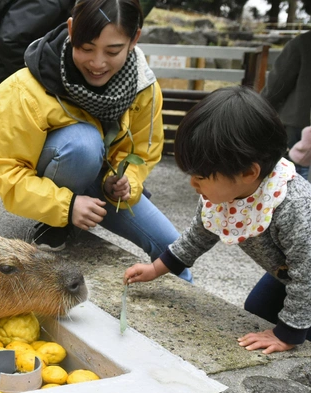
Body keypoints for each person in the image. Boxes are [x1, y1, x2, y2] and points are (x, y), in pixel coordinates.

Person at [0, 0, 192, 282]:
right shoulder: (23, 87)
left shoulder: (144, 87)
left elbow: (142, 153)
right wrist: (66, 205)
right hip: (56, 178)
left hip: (100, 184)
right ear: (72, 29)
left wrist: (124, 181)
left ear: (134, 38)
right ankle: (55, 225)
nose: (98, 63)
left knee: (173, 250)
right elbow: (3, 169)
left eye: (113, 51)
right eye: (86, 48)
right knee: (83, 143)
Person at [124, 86, 311, 355]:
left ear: (249, 172)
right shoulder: (223, 193)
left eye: (200, 177)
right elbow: (198, 236)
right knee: (258, 310)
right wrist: (155, 269)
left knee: (294, 326)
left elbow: (307, 275)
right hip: (289, 273)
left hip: (305, 272)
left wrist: (287, 335)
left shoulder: (292, 205)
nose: (192, 183)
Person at [261, 30, 311, 179]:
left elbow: (277, 85)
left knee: (293, 170)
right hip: (300, 119)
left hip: (299, 118)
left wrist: (258, 110)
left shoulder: (303, 43)